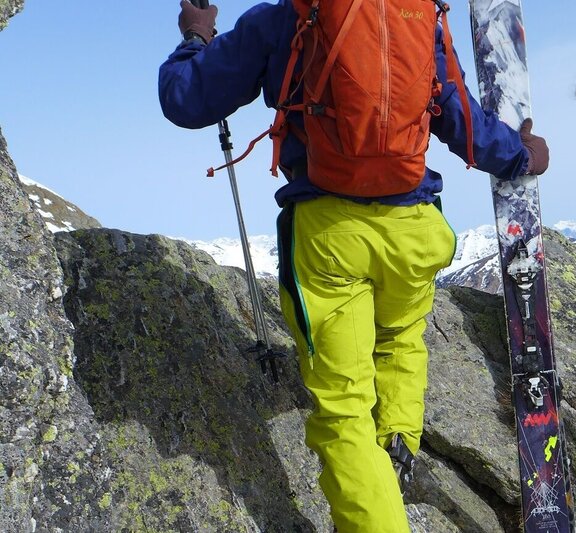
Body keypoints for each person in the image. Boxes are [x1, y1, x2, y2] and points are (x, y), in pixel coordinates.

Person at [159, 2, 549, 531]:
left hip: (329, 235)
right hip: (413, 230)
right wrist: (523, 155)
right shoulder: (418, 16)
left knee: (343, 413)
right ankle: (398, 444)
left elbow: (185, 98)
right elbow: (462, 121)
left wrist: (197, 36)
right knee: (401, 336)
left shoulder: (288, 15)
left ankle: (374, 492)